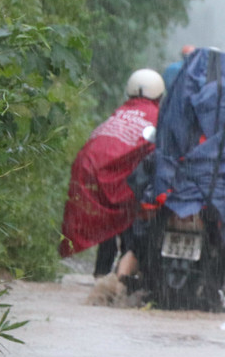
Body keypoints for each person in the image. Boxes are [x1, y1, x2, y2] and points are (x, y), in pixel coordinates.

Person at [59, 69, 165, 276]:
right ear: (160, 94)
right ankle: (123, 275)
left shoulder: (119, 113)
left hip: (93, 172)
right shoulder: (157, 116)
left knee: (107, 225)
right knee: (129, 224)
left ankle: (101, 271)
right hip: (124, 179)